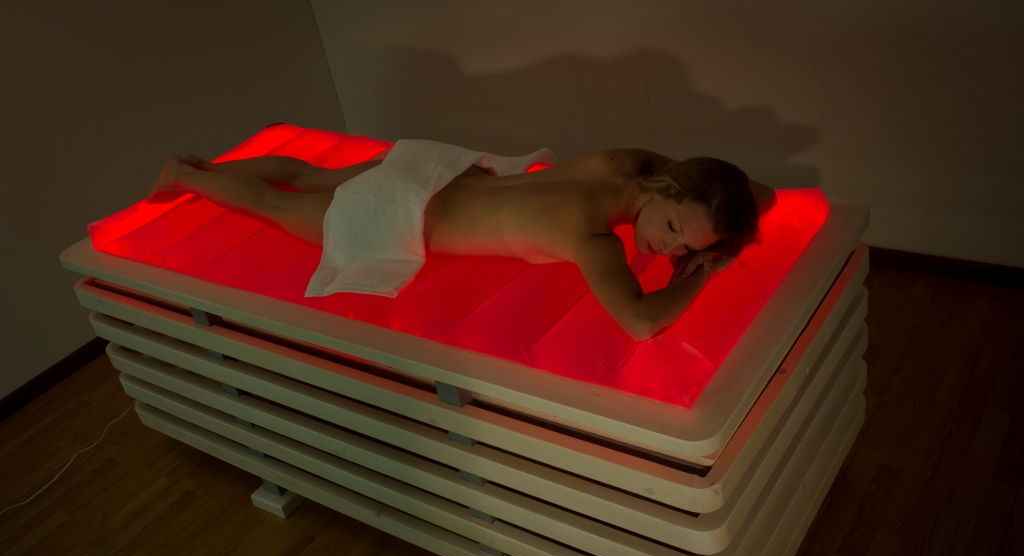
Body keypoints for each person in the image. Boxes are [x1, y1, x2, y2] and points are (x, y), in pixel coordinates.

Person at [146, 148, 775, 341]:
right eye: (672, 229)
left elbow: (757, 191)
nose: (666, 249)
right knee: (272, 205)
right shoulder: (593, 241)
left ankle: (205, 167)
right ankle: (186, 177)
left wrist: (715, 232)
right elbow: (640, 322)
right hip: (397, 213)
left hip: (435, 172)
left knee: (309, 176)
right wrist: (704, 270)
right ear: (668, 190)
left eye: (681, 247)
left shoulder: (627, 163)